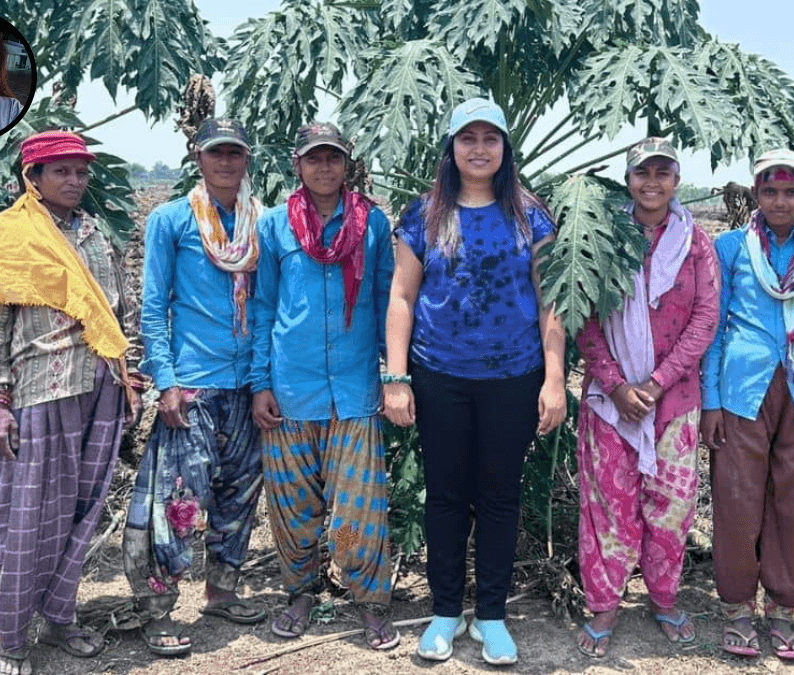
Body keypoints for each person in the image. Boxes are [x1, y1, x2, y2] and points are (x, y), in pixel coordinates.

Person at [383, 98, 566, 666]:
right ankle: (444, 612)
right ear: (451, 147)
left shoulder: (529, 216)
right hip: (440, 376)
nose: (480, 148)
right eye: (468, 138)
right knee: (444, 497)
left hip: (513, 377)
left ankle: (491, 616)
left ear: (505, 149)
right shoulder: (424, 215)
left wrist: (554, 377)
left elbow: (550, 301)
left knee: (498, 497)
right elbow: (402, 297)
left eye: (491, 138)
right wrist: (396, 378)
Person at [0, 130, 140, 675]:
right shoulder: (11, 237)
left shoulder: (94, 234)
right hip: (42, 392)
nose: (75, 181)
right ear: (32, 178)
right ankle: (10, 636)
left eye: (81, 172)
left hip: (103, 389)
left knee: (83, 512)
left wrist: (132, 371)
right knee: (31, 516)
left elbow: (122, 308)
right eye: (61, 171)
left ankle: (60, 618)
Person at [250, 122, 399, 649]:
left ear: (346, 163)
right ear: (298, 164)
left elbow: (386, 300)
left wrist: (394, 373)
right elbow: (263, 306)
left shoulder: (372, 224)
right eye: (314, 159)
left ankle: (368, 598)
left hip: (355, 389)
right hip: (291, 389)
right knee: (294, 506)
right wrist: (259, 382)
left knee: (355, 508)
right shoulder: (274, 226)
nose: (324, 168)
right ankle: (301, 590)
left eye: (333, 158)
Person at [699, 149, 794, 661]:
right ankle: (738, 607)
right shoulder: (732, 248)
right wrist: (712, 400)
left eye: (791, 192)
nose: (780, 201)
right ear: (756, 194)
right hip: (743, 388)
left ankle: (784, 609)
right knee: (737, 499)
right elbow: (714, 329)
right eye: (770, 191)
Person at [572, 137, 721, 659]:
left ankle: (662, 598)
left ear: (676, 180)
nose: (652, 182)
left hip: (674, 402)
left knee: (671, 509)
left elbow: (705, 318)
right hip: (610, 402)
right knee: (608, 507)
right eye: (642, 173)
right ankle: (605, 606)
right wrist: (615, 383)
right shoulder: (602, 238)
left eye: (663, 172)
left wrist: (657, 383)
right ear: (628, 179)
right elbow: (583, 313)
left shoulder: (694, 243)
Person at [125, 118, 267, 656]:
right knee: (177, 502)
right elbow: (154, 306)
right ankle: (157, 608)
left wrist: (263, 380)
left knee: (238, 495)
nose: (226, 162)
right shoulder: (171, 219)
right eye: (216, 153)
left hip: (245, 383)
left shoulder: (261, 222)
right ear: (198, 156)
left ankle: (221, 591)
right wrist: (165, 381)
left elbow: (266, 305)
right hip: (193, 386)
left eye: (235, 153)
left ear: (246, 159)